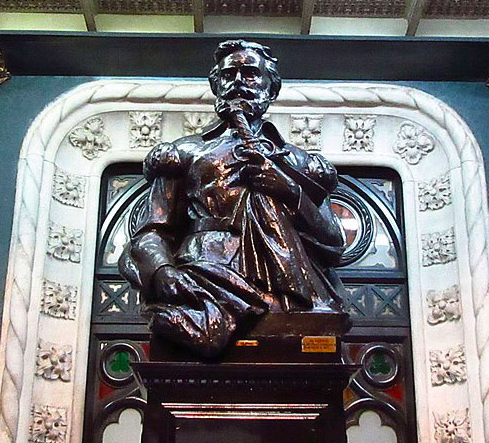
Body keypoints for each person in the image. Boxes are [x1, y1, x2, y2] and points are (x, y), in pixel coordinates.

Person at [120, 39, 348, 358]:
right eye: (230, 75)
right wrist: (161, 272)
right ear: (217, 85)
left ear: (271, 89)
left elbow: (334, 245)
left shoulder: (299, 163)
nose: (239, 82)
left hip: (287, 287)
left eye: (251, 73)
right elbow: (152, 233)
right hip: (203, 274)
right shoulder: (185, 153)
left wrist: (290, 190)